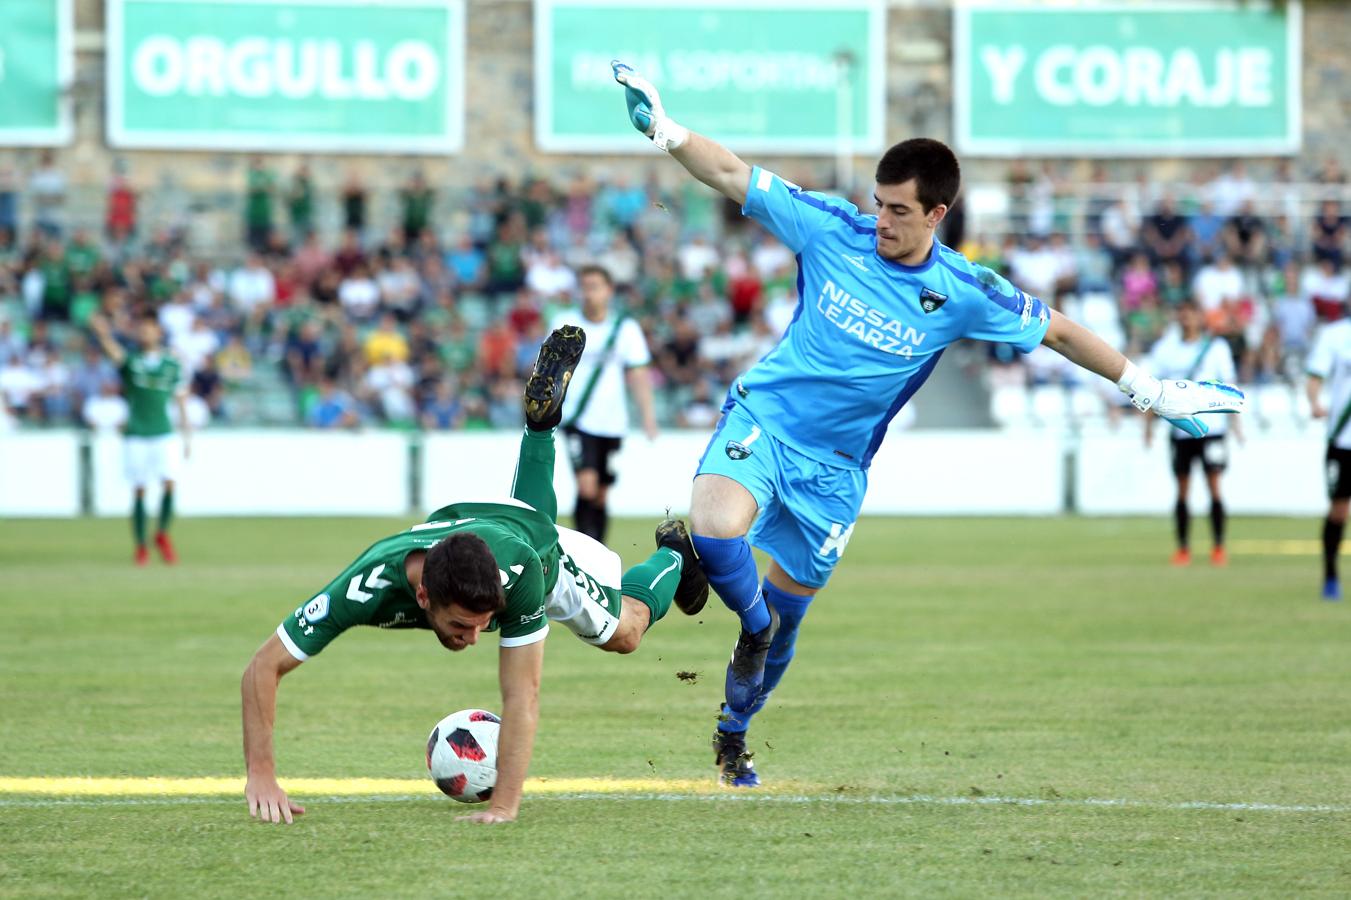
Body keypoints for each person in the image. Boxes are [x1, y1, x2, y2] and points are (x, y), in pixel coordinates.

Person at [611, 61, 1245, 787]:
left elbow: (1061, 333)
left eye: (898, 211)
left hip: (835, 472)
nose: (880, 220)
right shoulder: (830, 230)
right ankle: (741, 618)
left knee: (786, 623)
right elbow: (730, 174)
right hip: (763, 418)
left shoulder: (966, 291)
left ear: (937, 215)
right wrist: (666, 130)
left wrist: (1150, 391)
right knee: (717, 526)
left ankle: (733, 730)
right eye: (878, 204)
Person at [240, 327, 709, 825]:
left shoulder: (522, 578)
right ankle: (540, 427)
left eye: (484, 623)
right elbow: (262, 667)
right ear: (421, 595)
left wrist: (504, 807)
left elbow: (521, 694)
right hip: (487, 519)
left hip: (535, 551)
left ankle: (674, 554)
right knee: (530, 512)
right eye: (463, 626)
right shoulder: (365, 584)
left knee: (627, 632)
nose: (475, 638)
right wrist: (261, 773)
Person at [548, 265, 658, 543]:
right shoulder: (566, 324)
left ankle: (598, 550)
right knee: (586, 486)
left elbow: (638, 374)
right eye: (584, 287)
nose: (589, 293)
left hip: (612, 422)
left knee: (601, 492)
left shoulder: (625, 328)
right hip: (576, 418)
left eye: (595, 286)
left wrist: (648, 416)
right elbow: (547, 368)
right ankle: (583, 551)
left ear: (609, 291)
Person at [1143, 300, 1241, 567]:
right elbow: (1153, 391)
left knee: (1214, 487)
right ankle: (1183, 547)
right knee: (1183, 490)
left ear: (1200, 317)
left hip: (1213, 430)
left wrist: (1236, 425)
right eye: (1182, 314)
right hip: (1180, 431)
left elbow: (1229, 388)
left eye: (1191, 314)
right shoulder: (1166, 350)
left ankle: (1219, 546)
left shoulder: (1216, 348)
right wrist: (1148, 427)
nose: (1186, 319)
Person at [90, 312, 191, 565]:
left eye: (149, 329)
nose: (145, 333)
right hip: (136, 434)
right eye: (141, 329)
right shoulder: (132, 362)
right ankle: (141, 545)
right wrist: (103, 334)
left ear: (158, 332)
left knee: (169, 482)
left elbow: (181, 402)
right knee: (140, 489)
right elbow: (115, 354)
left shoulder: (172, 365)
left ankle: (162, 534)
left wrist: (187, 436)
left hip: (164, 432)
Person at [1306, 314, 1351, 601]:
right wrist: (1314, 402)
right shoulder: (1335, 335)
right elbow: (1315, 377)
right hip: (1343, 440)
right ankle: (1330, 575)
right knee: (1338, 511)